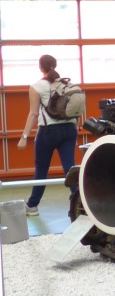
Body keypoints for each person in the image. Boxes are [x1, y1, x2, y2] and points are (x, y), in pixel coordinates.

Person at [16, 54, 79, 216]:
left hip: (48, 132)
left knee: (42, 169)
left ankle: (32, 206)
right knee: (70, 168)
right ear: (55, 66)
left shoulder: (37, 86)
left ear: (40, 67)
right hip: (70, 130)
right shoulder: (68, 84)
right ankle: (80, 204)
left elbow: (33, 114)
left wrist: (24, 137)